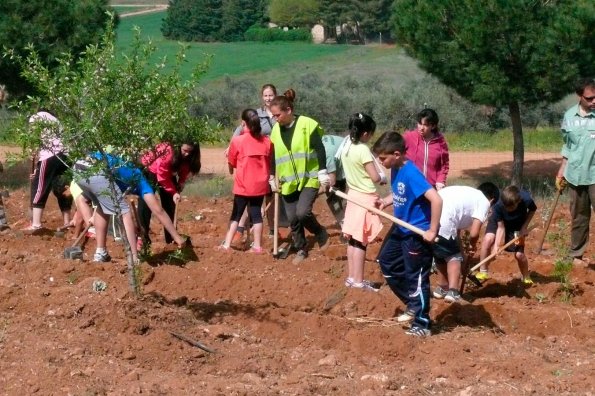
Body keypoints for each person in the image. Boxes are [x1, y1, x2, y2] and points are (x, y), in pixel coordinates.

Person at [372, 131, 442, 337]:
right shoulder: (395, 168)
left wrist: (432, 230)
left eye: (382, 158)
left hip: (416, 233)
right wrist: (385, 201)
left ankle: (422, 323)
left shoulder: (411, 173)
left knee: (416, 277)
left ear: (396, 154)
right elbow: (401, 192)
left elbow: (436, 200)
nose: (380, 162)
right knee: (387, 263)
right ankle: (413, 302)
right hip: (401, 227)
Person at [75, 152, 191, 263]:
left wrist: (93, 216)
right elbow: (158, 211)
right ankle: (134, 258)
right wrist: (177, 237)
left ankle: (101, 253)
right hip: (96, 171)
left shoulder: (124, 170)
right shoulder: (140, 179)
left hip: (78, 169)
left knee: (102, 206)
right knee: (125, 212)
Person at [268, 88, 330, 265]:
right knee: (293, 219)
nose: (275, 119)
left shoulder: (307, 124)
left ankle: (319, 232)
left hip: (309, 178)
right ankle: (301, 248)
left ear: (288, 110)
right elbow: (273, 155)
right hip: (288, 181)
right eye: (273, 116)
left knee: (302, 213)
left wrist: (322, 171)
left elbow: (319, 148)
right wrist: (272, 176)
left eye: (277, 115)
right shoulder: (275, 131)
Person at [431, 183, 499, 302]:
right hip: (444, 217)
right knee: (454, 256)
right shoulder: (484, 202)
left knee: (440, 252)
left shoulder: (468, 195)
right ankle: (453, 291)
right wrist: (472, 245)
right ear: (492, 200)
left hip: (431, 214)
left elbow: (456, 235)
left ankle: (442, 288)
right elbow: (474, 233)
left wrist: (464, 254)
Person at [340, 113, 385, 291]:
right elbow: (374, 176)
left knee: (352, 240)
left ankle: (352, 278)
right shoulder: (363, 149)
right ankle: (359, 282)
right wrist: (382, 177)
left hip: (352, 195)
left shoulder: (347, 145)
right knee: (361, 241)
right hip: (365, 198)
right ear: (365, 133)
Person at [217, 109, 272, 253]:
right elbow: (270, 160)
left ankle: (227, 244)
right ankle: (257, 246)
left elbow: (233, 161)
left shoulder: (238, 140)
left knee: (236, 213)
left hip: (243, 185)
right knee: (256, 214)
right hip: (260, 186)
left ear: (243, 123)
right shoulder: (266, 141)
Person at [227, 84, 277, 241]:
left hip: (274, 159)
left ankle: (272, 229)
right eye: (266, 95)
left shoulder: (279, 114)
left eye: (271, 95)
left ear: (275, 96)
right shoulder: (256, 115)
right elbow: (240, 131)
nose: (268, 98)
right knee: (253, 196)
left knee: (269, 196)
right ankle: (241, 229)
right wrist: (231, 147)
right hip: (260, 160)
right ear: (262, 97)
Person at [556, 77, 595, 268]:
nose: (594, 101)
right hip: (576, 175)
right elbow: (568, 145)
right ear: (580, 96)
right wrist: (561, 171)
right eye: (589, 98)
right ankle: (576, 255)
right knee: (579, 217)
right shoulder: (570, 116)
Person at [138, 141, 201, 247]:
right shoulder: (168, 152)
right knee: (146, 204)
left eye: (190, 152)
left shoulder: (188, 155)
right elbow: (162, 177)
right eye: (185, 151)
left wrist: (181, 182)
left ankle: (171, 238)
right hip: (151, 170)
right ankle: (143, 238)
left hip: (167, 171)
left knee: (170, 205)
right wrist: (173, 192)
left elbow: (185, 167)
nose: (187, 154)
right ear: (179, 146)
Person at [476, 185, 537, 285]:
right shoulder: (498, 206)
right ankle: (483, 272)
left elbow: (532, 210)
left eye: (512, 207)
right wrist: (496, 246)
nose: (508, 210)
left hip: (517, 225)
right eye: (506, 207)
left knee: (519, 255)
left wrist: (524, 227)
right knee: (488, 240)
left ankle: (526, 276)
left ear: (518, 201)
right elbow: (501, 227)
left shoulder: (526, 199)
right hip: (499, 223)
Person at [24, 110, 72, 234]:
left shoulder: (36, 116)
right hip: (66, 156)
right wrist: (38, 170)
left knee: (39, 186)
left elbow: (34, 137)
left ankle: (36, 224)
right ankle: (67, 223)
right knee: (62, 187)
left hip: (50, 155)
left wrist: (32, 150)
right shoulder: (56, 120)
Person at [403, 108, 450, 189]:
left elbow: (444, 165)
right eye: (420, 123)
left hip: (431, 187)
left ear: (433, 126)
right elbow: (394, 149)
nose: (421, 127)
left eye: (426, 125)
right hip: (411, 186)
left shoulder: (440, 142)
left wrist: (440, 180)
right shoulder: (409, 137)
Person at [322, 134, 348, 227]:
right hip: (341, 160)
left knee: (332, 194)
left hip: (349, 164)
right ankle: (343, 218)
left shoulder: (327, 154)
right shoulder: (318, 143)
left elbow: (331, 182)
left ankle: (344, 224)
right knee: (336, 196)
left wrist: (314, 193)